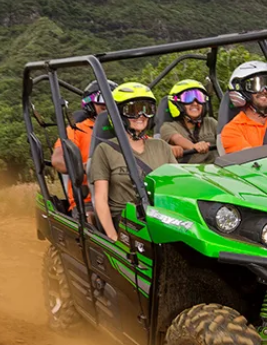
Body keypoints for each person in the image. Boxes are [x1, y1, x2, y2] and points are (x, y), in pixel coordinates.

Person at [88, 82, 176, 241]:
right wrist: (112, 236)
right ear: (118, 114)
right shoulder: (105, 150)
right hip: (125, 223)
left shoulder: (162, 147)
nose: (141, 115)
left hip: (160, 218)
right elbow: (100, 198)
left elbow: (177, 188)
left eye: (147, 109)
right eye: (133, 110)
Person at [51, 79, 117, 219]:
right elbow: (57, 160)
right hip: (88, 199)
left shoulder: (124, 128)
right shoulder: (77, 130)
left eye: (112, 98)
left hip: (123, 193)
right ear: (90, 103)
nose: (107, 104)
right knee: (92, 217)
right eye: (102, 98)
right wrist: (85, 167)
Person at [160, 79, 217, 163]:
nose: (195, 103)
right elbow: (177, 138)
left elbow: (225, 136)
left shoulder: (210, 122)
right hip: (187, 173)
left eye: (199, 97)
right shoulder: (168, 127)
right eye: (188, 98)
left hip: (216, 170)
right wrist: (194, 146)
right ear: (177, 103)